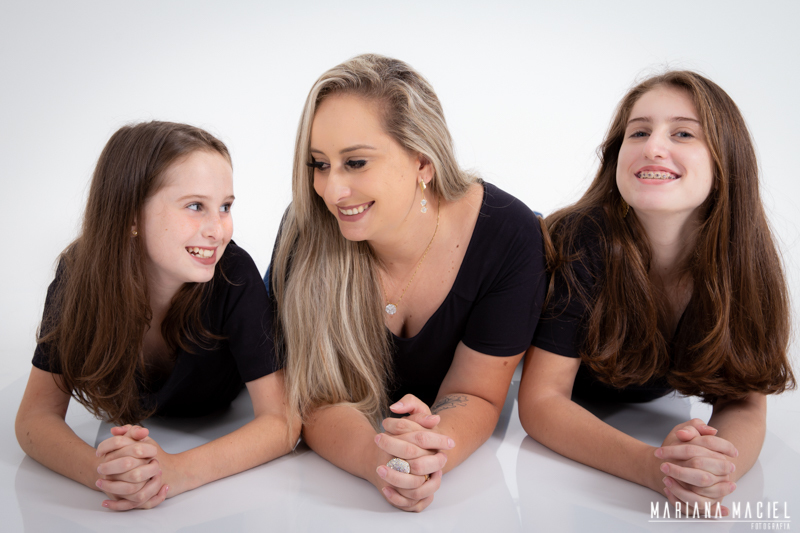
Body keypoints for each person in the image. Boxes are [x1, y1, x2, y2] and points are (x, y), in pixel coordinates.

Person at [268, 54, 547, 512]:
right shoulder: (307, 228)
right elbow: (315, 397)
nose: (331, 191)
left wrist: (430, 453)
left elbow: (475, 393)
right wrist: (378, 460)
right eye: (319, 164)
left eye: (356, 162)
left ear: (423, 161)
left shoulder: (509, 236)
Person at [519, 71, 795, 515]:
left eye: (683, 133)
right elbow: (541, 401)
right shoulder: (580, 239)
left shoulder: (743, 260)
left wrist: (712, 470)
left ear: (727, 160)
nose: (652, 147)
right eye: (639, 132)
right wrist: (656, 468)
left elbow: (744, 401)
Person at [15, 121, 297, 511]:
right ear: (131, 215)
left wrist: (177, 471)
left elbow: (283, 422)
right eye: (195, 206)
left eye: (225, 207)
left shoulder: (234, 275)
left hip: (219, 408)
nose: (218, 230)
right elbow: (34, 417)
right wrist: (106, 472)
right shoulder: (80, 275)